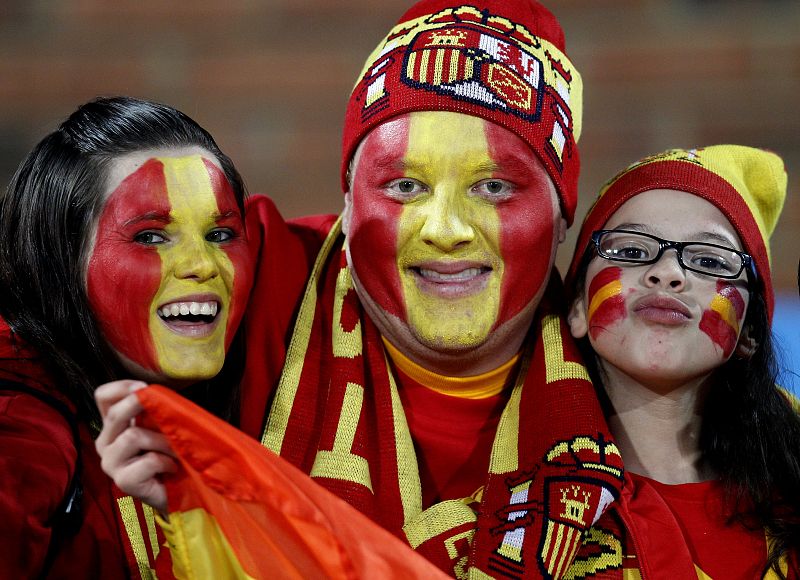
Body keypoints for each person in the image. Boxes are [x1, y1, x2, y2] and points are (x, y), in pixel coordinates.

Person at [98, 1, 627, 577]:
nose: (445, 229)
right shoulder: (252, 268)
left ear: (561, 218)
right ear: (348, 204)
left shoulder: (630, 352)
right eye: (403, 185)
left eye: (495, 187)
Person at [0, 96, 312, 578]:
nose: (203, 265)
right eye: (150, 237)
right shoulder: (20, 422)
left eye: (220, 235)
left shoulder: (256, 349)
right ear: (60, 263)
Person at [565, 145, 800, 578]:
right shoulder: (506, 507)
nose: (668, 271)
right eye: (633, 253)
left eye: (709, 261)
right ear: (577, 307)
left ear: (750, 333)